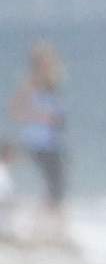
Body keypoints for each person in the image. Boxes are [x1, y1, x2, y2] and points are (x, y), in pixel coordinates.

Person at [9, 40, 70, 246]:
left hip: (52, 142)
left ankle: (48, 230)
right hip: (38, 142)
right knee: (55, 187)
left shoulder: (50, 84)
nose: (52, 64)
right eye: (48, 61)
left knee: (56, 187)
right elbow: (16, 112)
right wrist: (42, 117)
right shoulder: (30, 85)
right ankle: (43, 230)